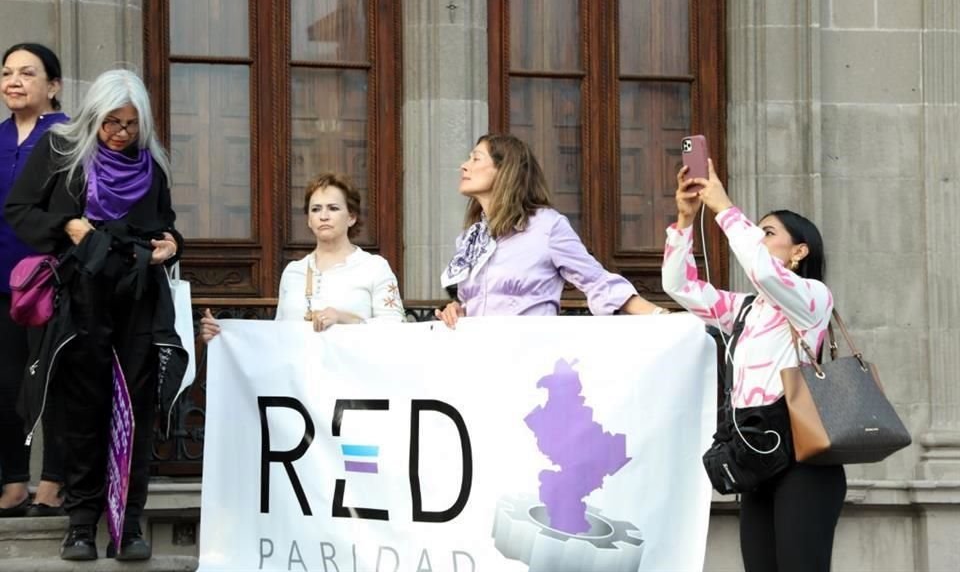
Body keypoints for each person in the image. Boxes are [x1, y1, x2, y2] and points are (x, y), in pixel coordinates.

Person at [4, 69, 191, 561]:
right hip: (80, 294)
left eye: (130, 125)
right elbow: (19, 209)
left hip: (140, 296)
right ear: (93, 116)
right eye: (112, 123)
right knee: (81, 409)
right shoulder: (61, 150)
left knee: (136, 409)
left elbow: (166, 226)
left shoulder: (151, 164)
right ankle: (81, 525)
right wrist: (68, 225)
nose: (121, 134)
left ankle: (129, 526)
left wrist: (173, 246)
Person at [661, 160, 844, 572]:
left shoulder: (812, 298)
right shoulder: (745, 308)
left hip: (804, 464)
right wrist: (686, 220)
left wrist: (724, 207)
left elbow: (762, 270)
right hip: (756, 459)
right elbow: (680, 286)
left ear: (799, 251)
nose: (758, 239)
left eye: (768, 232)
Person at [435, 133, 664, 328]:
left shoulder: (547, 226)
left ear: (505, 170)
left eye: (476, 158)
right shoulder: (469, 239)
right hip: (481, 362)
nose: (464, 165)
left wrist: (662, 318)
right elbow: (473, 302)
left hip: (530, 360)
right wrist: (457, 310)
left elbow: (598, 283)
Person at [200, 172, 404, 342]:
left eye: (333, 208)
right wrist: (223, 336)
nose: (323, 216)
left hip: (353, 384)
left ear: (351, 217)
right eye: (316, 209)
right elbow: (277, 337)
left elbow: (396, 330)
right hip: (300, 385)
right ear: (308, 220)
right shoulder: (293, 271)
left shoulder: (374, 267)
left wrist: (342, 318)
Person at [0, 43, 68, 518]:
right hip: (0, 284)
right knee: (5, 385)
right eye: (6, 73)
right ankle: (12, 482)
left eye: (27, 73)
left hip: (51, 282)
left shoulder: (68, 139)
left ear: (53, 85)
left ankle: (54, 482)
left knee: (55, 383)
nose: (14, 81)